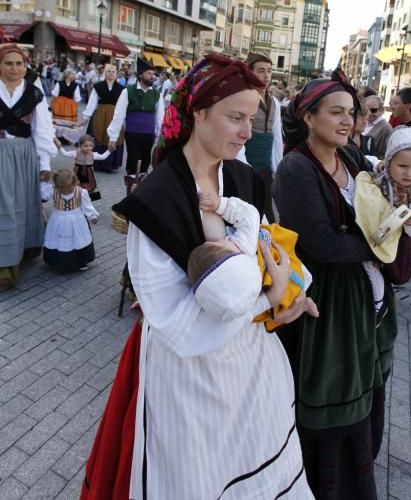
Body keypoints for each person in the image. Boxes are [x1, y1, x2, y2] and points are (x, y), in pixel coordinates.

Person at [81, 54, 314, 500]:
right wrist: (270, 299)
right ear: (199, 111)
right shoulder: (156, 199)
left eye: (252, 117)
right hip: (189, 373)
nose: (248, 131)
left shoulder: (247, 180)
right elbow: (174, 323)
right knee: (197, 478)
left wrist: (292, 296)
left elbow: (270, 253)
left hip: (250, 367)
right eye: (236, 118)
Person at [274, 70, 398, 499]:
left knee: (363, 395)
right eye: (337, 112)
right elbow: (323, 245)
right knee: (334, 404)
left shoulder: (352, 159)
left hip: (364, 304)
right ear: (309, 117)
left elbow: (383, 210)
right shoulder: (296, 167)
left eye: (353, 113)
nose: (349, 122)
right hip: (327, 309)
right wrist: (382, 240)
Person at [188, 191, 317, 328]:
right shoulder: (243, 245)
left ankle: (305, 305)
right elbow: (250, 215)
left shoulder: (223, 300)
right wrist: (221, 205)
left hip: (268, 304)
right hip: (285, 280)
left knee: (258, 314)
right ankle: (305, 303)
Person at [354, 125, 411, 322]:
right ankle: (374, 296)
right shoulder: (382, 173)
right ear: (389, 161)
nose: (410, 173)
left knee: (387, 270)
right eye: (403, 166)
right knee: (369, 264)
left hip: (397, 240)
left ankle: (380, 301)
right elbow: (371, 160)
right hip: (372, 231)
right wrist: (377, 165)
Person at [0, 43, 57, 289]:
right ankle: (5, 264)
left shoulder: (33, 93)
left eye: (19, 63)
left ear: (25, 66)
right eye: (8, 63)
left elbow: (42, 130)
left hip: (23, 154)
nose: (14, 68)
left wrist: (44, 164)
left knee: (17, 205)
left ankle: (14, 258)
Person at [107, 58, 164, 191]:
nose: (152, 77)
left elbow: (160, 117)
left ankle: (141, 194)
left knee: (145, 163)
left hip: (149, 135)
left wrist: (161, 136)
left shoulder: (156, 93)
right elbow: (118, 115)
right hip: (132, 134)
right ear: (140, 74)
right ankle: (130, 193)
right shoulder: (128, 91)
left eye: (153, 74)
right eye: (149, 74)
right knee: (133, 163)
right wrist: (113, 138)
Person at [244, 52, 283, 223]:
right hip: (245, 161)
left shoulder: (274, 101)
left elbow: (276, 136)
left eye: (269, 71)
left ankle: (270, 243)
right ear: (250, 72)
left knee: (267, 210)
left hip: (265, 165)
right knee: (246, 208)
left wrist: (277, 167)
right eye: (261, 70)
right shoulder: (243, 97)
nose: (266, 75)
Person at [40, 167, 98, 272]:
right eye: (62, 189)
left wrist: (92, 216)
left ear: (75, 182)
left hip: (77, 220)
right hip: (58, 220)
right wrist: (43, 182)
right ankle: (57, 261)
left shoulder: (81, 192)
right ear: (57, 186)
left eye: (69, 189)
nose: (66, 192)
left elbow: (87, 206)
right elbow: (43, 194)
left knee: (79, 240)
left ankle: (81, 261)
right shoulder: (53, 190)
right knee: (58, 241)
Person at [83, 64, 124, 171]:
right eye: (108, 71)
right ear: (105, 73)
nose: (111, 74)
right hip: (100, 115)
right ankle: (97, 163)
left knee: (112, 137)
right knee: (99, 135)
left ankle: (110, 165)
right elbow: (92, 102)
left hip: (115, 115)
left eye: (113, 71)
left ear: (116, 74)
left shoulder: (121, 88)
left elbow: (123, 104)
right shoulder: (98, 86)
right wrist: (86, 116)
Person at [57, 134, 110, 201]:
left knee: (87, 188)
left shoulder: (93, 154)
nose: (88, 148)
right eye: (85, 146)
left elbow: (103, 157)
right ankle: (75, 199)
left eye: (90, 146)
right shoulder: (76, 153)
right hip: (77, 174)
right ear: (80, 145)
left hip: (89, 176)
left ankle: (86, 200)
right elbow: (65, 154)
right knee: (76, 186)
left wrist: (109, 151)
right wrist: (60, 147)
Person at [361, 94, 392, 159]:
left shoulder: (386, 128)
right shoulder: (364, 123)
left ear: (382, 110)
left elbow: (385, 155)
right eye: (366, 110)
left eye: (373, 110)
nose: (369, 113)